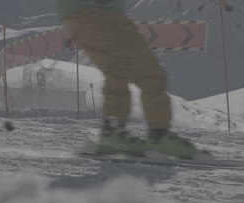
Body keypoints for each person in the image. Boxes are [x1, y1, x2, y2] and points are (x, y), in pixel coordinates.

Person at [56, 0, 197, 159]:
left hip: (112, 16)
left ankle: (159, 135)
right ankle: (114, 134)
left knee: (152, 74)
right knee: (117, 70)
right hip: (89, 13)